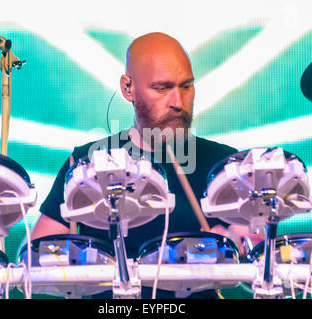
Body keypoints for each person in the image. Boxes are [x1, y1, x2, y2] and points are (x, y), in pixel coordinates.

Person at [31, 32, 263, 298]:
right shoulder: (86, 161)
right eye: (162, 88)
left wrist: (238, 243)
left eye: (186, 86)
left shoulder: (223, 164)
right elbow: (37, 258)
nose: (178, 102)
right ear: (128, 88)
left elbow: (259, 253)